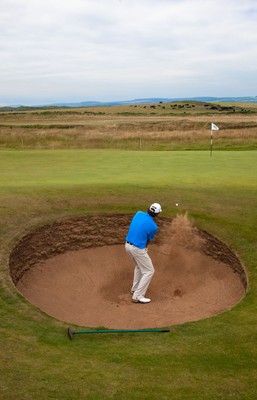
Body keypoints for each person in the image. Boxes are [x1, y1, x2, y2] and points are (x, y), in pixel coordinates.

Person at [125, 203, 162, 304]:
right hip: (137, 249)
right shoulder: (154, 227)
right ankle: (137, 296)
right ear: (157, 214)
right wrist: (145, 249)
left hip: (127, 246)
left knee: (139, 267)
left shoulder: (138, 213)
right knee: (149, 271)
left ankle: (135, 289)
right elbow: (148, 240)